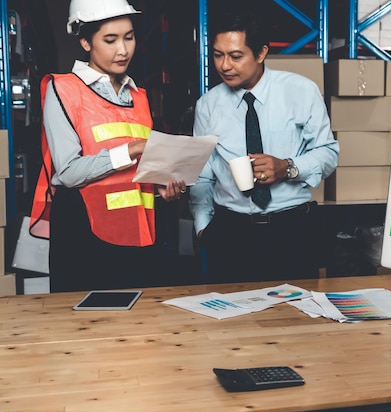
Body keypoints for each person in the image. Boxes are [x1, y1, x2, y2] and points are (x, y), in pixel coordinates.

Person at [29, 0, 186, 293]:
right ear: (85, 41)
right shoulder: (62, 89)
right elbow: (69, 173)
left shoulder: (139, 96)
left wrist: (162, 186)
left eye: (129, 37)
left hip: (141, 234)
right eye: (110, 40)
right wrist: (133, 149)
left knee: (143, 330)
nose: (123, 50)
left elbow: (141, 169)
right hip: (84, 235)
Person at [189, 6, 339, 283]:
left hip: (292, 231)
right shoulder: (207, 105)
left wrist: (288, 168)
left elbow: (328, 153)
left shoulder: (301, 91)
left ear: (261, 53)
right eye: (218, 55)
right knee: (229, 321)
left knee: (297, 321)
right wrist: (203, 226)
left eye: (236, 56)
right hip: (229, 234)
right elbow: (202, 174)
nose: (224, 65)